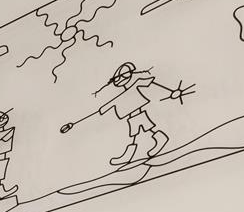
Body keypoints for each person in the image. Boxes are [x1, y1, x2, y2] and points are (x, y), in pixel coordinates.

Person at [61, 62, 195, 166]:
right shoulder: (123, 95)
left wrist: (171, 92)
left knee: (140, 133)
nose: (119, 80)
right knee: (137, 134)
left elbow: (151, 82)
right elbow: (112, 103)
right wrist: (103, 109)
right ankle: (132, 153)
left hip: (138, 115)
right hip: (134, 116)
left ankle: (153, 143)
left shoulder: (134, 85)